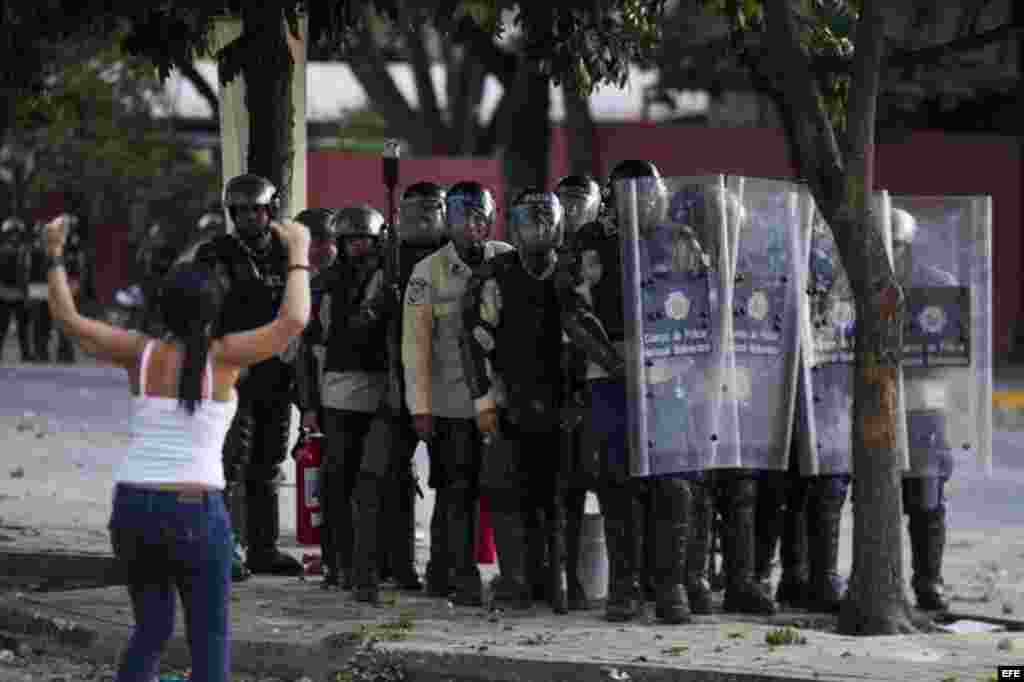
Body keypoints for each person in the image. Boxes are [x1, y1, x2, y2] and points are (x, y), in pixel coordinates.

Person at [41, 212, 311, 682]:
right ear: (214, 309)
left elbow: (68, 320)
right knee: (209, 638)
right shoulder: (225, 359)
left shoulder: (139, 353)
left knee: (151, 630)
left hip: (133, 507)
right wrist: (299, 256)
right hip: (195, 511)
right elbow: (294, 320)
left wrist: (53, 255)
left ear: (162, 308)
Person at [562, 160, 692, 624]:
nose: (645, 201)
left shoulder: (679, 239)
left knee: (673, 482)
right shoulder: (588, 242)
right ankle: (625, 587)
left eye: (651, 192)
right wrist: (613, 362)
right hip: (608, 374)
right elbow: (571, 308)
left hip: (670, 372)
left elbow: (703, 304)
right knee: (617, 482)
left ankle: (671, 586)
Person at [402, 180, 513, 606]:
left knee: (503, 491)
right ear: (448, 220)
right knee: (455, 491)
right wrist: (421, 408)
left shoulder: (505, 259)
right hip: (450, 405)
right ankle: (456, 574)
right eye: (463, 216)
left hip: (500, 402)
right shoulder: (427, 273)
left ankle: (512, 576)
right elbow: (415, 350)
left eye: (479, 217)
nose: (472, 225)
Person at [462, 189, 570, 613]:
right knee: (507, 493)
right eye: (529, 221)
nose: (538, 230)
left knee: (556, 495)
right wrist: (483, 401)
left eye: (546, 220)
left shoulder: (571, 270)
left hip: (562, 401)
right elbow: (473, 342)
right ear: (515, 227)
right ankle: (514, 580)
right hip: (509, 400)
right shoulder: (495, 274)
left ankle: (553, 580)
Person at [193, 173, 305, 577]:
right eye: (239, 211)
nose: (248, 218)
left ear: (270, 210)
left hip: (276, 373)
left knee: (269, 462)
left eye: (255, 210)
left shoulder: (286, 252)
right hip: (232, 373)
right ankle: (224, 549)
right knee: (229, 464)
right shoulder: (215, 254)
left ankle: (264, 547)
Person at [348, 181, 450, 603]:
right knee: (376, 478)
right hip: (395, 387)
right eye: (415, 212)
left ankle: (439, 571)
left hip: (448, 389)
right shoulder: (386, 261)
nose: (423, 220)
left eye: (431, 211)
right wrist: (380, 307)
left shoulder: (456, 258)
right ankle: (368, 572)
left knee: (453, 482)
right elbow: (356, 324)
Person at [311, 204, 390, 592]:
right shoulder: (324, 283)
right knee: (336, 482)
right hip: (337, 393)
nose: (359, 245)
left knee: (374, 483)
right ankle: (336, 562)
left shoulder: (389, 280)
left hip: (380, 392)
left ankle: (373, 566)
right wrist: (309, 403)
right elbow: (312, 344)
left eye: (366, 239)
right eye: (351, 239)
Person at [893, 206, 958, 612]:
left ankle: (928, 582)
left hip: (921, 410)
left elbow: (947, 359)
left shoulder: (935, 286)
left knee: (925, 497)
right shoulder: (852, 283)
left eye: (897, 246)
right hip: (871, 407)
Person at [552, 174, 603, 610]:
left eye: (578, 202)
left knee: (611, 483)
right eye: (563, 202)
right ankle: (564, 579)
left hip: (600, 382)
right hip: (558, 385)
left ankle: (621, 579)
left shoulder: (605, 253)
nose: (570, 211)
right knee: (562, 489)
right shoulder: (544, 254)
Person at [0, 217, 33, 362]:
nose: (14, 236)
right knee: (3, 328)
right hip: (5, 293)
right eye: (12, 233)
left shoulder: (24, 251)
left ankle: (26, 354)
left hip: (18, 294)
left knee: (23, 329)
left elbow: (26, 274)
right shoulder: (21, 251)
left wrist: (27, 294)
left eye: (16, 233)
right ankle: (26, 354)